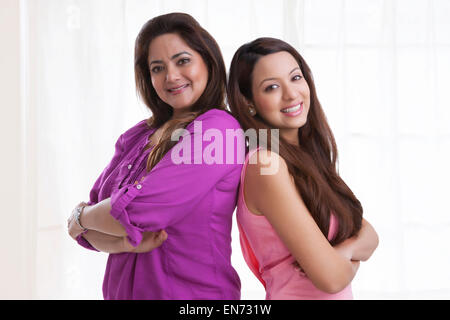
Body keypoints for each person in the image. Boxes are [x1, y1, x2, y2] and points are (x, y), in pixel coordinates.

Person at [67, 13, 244, 300]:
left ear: (208, 61)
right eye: (157, 68)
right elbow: (92, 229)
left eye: (182, 60)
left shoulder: (219, 131)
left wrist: (81, 216)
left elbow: (136, 213)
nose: (171, 76)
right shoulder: (137, 136)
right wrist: (121, 239)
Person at [227, 37, 379, 300]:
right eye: (272, 87)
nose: (291, 94)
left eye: (296, 78)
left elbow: (370, 236)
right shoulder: (265, 165)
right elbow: (330, 279)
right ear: (249, 102)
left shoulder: (307, 158)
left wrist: (341, 256)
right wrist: (346, 260)